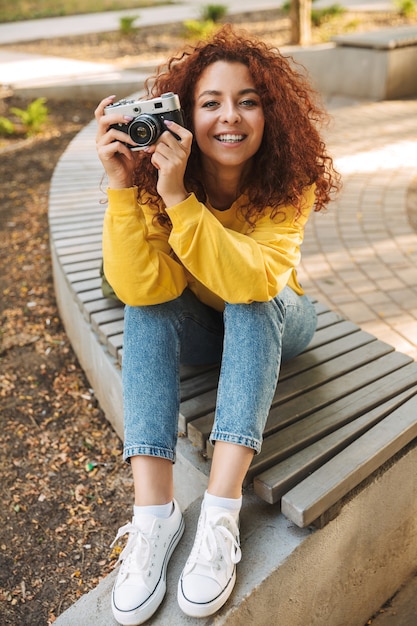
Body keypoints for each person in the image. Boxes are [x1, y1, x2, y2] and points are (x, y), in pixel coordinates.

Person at [95, 24, 340, 626]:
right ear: (182, 114)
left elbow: (254, 281)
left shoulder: (289, 179)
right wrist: (123, 188)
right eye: (211, 103)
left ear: (270, 112)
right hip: (205, 325)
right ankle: (156, 516)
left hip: (280, 316)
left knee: (251, 301)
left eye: (248, 100)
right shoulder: (158, 176)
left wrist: (183, 203)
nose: (230, 117)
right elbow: (139, 288)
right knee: (146, 304)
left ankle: (220, 514)